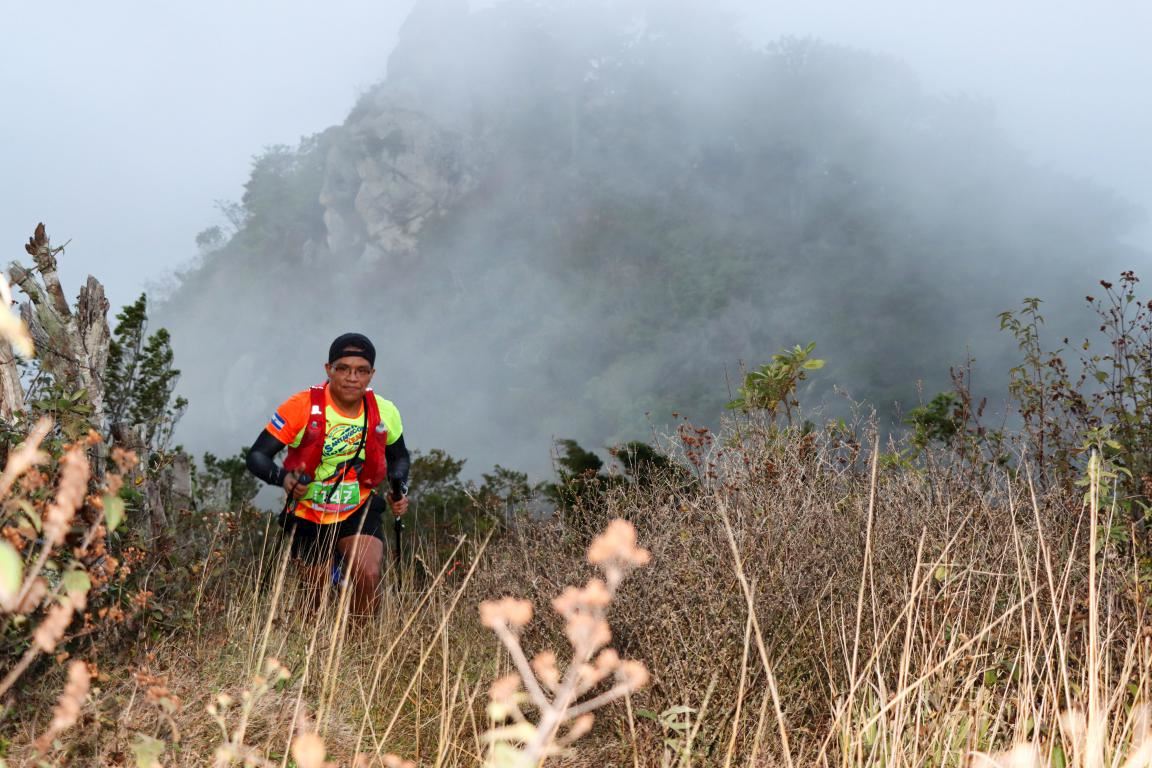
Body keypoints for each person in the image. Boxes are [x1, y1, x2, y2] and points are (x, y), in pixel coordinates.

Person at [245, 332, 410, 615]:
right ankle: (315, 651)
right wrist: (283, 478)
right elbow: (257, 456)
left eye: (361, 371)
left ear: (372, 375)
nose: (351, 377)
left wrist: (399, 487)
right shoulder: (301, 406)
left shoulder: (385, 411)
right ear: (328, 369)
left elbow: (400, 457)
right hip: (309, 510)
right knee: (315, 599)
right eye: (342, 368)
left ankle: (359, 650)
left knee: (368, 575)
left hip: (357, 506)